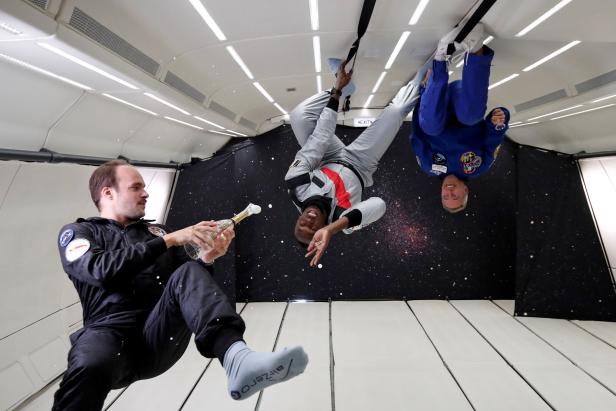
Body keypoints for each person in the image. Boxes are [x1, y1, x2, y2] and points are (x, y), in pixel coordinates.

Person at [53, 160, 308, 410]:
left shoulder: (157, 232)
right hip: (107, 336)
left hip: (158, 337)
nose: (146, 193)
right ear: (107, 193)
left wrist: (208, 258)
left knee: (188, 270)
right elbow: (97, 269)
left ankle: (237, 360)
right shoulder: (79, 232)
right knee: (90, 364)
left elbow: (187, 282)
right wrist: (171, 240)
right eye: (135, 187)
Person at [286, 60, 421, 267]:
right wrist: (334, 228)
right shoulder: (345, 221)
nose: (308, 221)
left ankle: (344, 85)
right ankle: (424, 78)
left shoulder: (297, 186)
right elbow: (379, 205)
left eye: (301, 224)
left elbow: (319, 140)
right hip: (361, 163)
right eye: (313, 229)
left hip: (327, 156)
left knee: (299, 117)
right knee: (397, 110)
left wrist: (337, 92)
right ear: (323, 228)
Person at [410, 23, 510, 213]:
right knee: (471, 117)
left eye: (445, 196)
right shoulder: (478, 167)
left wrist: (422, 97)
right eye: (454, 195)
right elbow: (492, 142)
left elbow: (416, 134)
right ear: (466, 190)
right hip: (460, 101)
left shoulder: (428, 166)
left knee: (429, 127)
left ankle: (440, 58)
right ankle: (475, 47)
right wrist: (497, 124)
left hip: (436, 104)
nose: (449, 191)